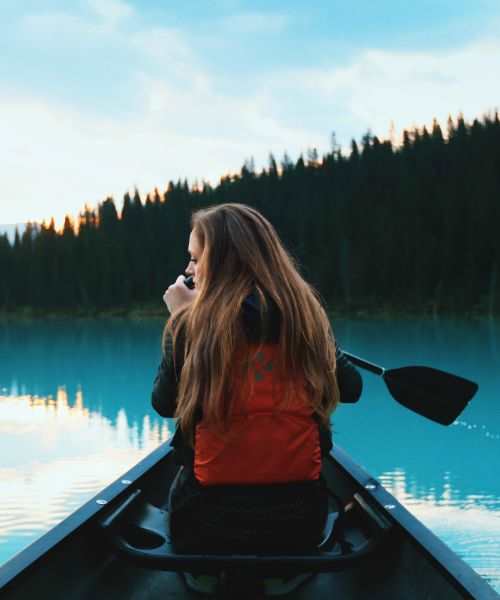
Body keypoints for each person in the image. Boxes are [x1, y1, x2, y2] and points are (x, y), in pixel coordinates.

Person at [152, 203, 362, 554]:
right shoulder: (304, 316)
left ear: (220, 262)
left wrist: (182, 320)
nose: (189, 270)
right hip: (299, 523)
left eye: (195, 258)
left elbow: (165, 404)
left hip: (205, 524)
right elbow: (351, 389)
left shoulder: (192, 324)